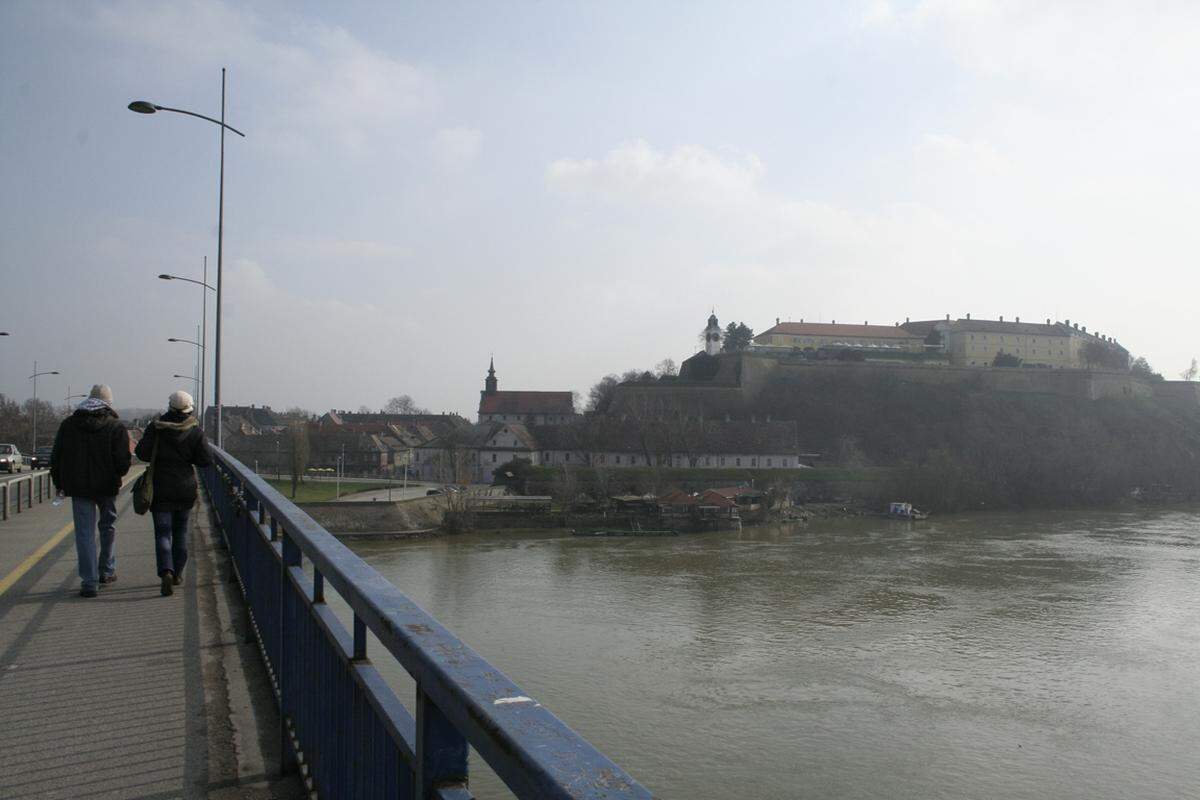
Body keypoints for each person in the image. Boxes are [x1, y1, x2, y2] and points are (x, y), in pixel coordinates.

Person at [50, 384, 132, 598]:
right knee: (108, 526)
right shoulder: (115, 426)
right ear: (108, 402)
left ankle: (89, 582)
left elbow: (57, 456)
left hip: (78, 487)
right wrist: (117, 474)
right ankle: (107, 570)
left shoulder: (69, 425)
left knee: (84, 534)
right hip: (107, 486)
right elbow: (123, 461)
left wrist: (59, 483)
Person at [135, 390, 210, 596]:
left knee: (162, 532)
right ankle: (177, 573)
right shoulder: (195, 430)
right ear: (190, 408)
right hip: (185, 488)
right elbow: (206, 459)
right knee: (181, 532)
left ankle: (165, 570)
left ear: (169, 406)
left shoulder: (156, 427)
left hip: (160, 486)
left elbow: (141, 453)